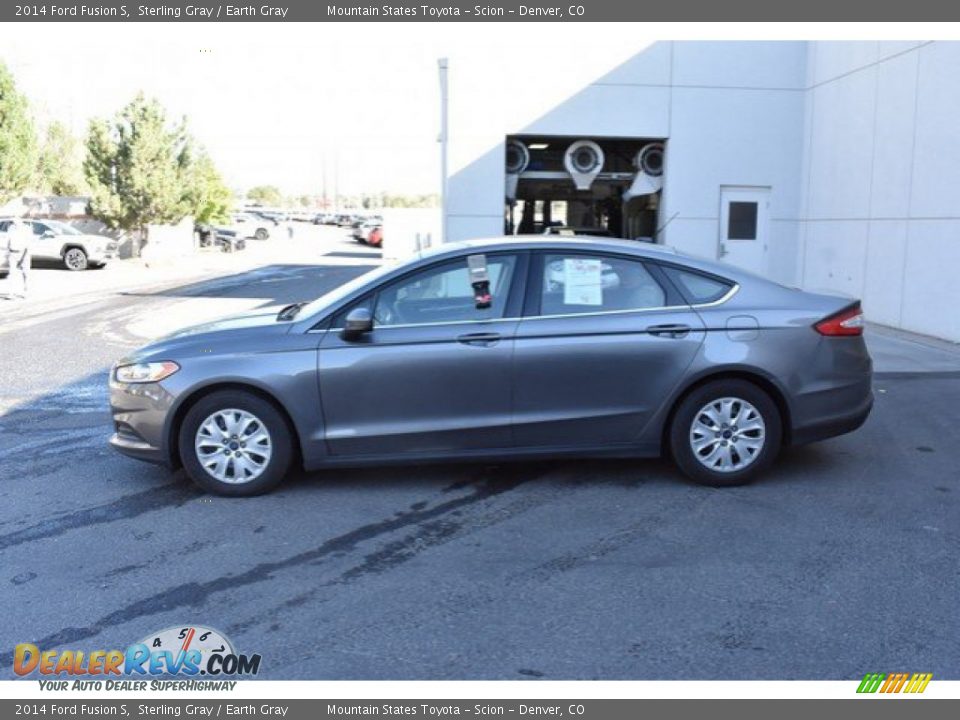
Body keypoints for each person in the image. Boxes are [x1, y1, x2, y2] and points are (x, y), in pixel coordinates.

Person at [5, 218, 32, 299]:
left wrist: (25, 254)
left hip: (24, 253)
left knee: (25, 273)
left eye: (16, 221)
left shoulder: (27, 229)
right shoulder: (11, 228)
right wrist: (8, 251)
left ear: (20, 221)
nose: (14, 223)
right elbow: (8, 240)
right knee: (12, 273)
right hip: (12, 253)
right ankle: (11, 293)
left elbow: (29, 242)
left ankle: (26, 291)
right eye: (13, 221)